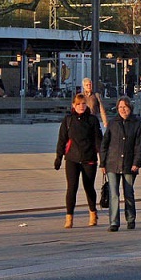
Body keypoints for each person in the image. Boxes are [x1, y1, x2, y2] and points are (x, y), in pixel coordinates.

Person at [54, 93, 104, 228]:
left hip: (89, 158)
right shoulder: (68, 120)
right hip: (72, 158)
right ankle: (69, 217)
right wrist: (58, 157)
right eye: (78, 104)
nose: (81, 106)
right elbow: (62, 139)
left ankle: (93, 213)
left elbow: (98, 141)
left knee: (89, 187)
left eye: (83, 104)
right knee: (72, 188)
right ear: (73, 106)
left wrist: (103, 160)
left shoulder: (92, 120)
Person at [100, 95, 141, 231]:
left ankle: (131, 219)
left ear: (130, 107)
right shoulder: (113, 123)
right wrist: (102, 163)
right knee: (114, 193)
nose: (122, 109)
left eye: (125, 107)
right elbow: (104, 144)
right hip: (112, 163)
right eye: (120, 107)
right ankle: (114, 222)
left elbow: (139, 145)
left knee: (128, 192)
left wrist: (137, 163)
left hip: (129, 164)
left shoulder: (136, 123)